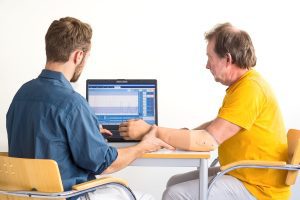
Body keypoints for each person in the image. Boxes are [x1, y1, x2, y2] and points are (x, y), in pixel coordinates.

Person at [6, 17, 174, 200]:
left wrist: (89, 133)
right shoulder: (72, 103)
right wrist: (142, 147)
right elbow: (104, 164)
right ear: (78, 56)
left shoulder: (21, 95)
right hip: (68, 195)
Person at [119, 23, 290, 199]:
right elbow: (213, 127)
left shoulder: (250, 89)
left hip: (259, 189)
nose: (207, 65)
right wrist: (179, 135)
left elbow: (207, 140)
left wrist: (149, 130)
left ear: (228, 59)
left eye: (210, 57)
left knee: (175, 194)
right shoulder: (244, 85)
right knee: (174, 183)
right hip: (244, 175)